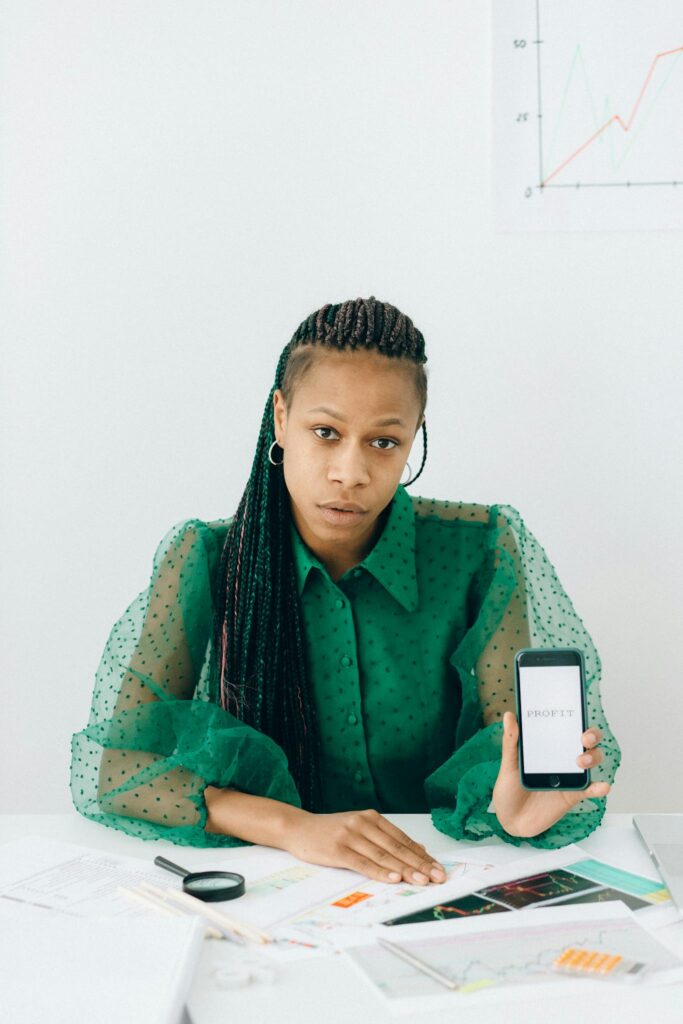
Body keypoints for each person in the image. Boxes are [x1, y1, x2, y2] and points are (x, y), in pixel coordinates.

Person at [70, 296, 620, 889]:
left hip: (432, 876)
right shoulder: (205, 559)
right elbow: (117, 768)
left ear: (414, 437)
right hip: (269, 884)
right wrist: (292, 826)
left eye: (383, 442)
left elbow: (504, 741)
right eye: (326, 432)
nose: (350, 472)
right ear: (281, 418)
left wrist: (513, 806)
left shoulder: (480, 549)